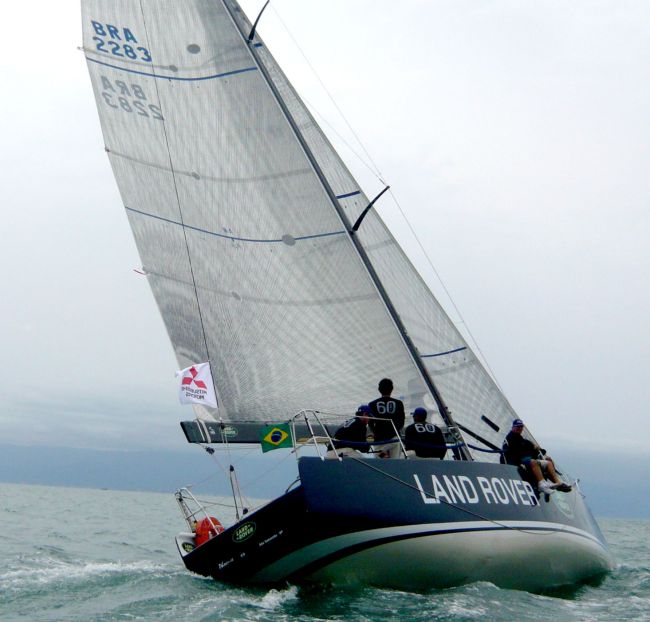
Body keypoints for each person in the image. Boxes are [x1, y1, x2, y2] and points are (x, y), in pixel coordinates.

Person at [502, 419, 571, 494]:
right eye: (517, 427)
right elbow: (516, 451)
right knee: (534, 462)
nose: (520, 429)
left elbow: (529, 446)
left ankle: (558, 483)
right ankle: (542, 484)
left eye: (521, 427)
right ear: (513, 427)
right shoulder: (511, 437)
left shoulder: (521, 438)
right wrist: (531, 450)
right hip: (517, 461)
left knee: (548, 462)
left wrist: (537, 449)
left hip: (525, 459)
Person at [368, 378, 405, 458]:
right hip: (394, 439)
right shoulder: (399, 403)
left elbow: (370, 423)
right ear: (392, 389)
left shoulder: (372, 404)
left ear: (379, 389)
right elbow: (401, 422)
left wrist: (376, 432)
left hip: (379, 439)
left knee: (379, 463)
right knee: (395, 462)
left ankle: (382, 453)